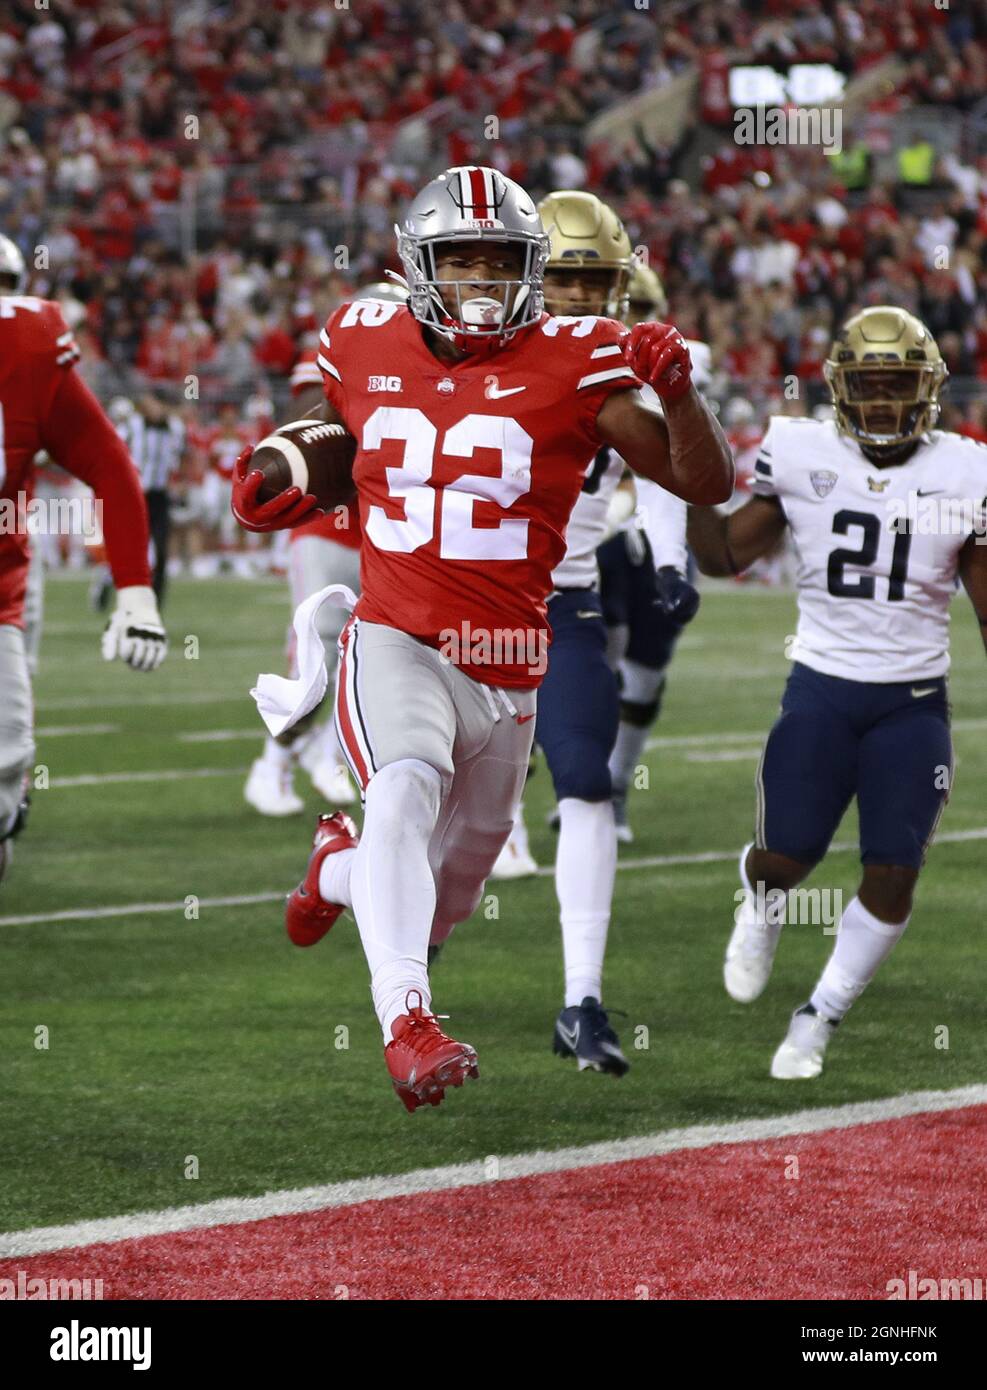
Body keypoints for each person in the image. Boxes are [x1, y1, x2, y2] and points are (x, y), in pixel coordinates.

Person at [233, 167, 733, 1112]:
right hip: (397, 636)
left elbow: (701, 486)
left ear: (529, 268)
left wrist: (681, 393)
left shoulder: (579, 357)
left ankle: (332, 871)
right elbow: (313, 430)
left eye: (497, 262)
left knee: (445, 897)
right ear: (416, 266)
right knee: (406, 787)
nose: (477, 281)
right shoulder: (360, 334)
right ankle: (407, 1026)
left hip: (510, 663)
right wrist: (278, 460)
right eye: (456, 262)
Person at [687, 306, 987, 1079]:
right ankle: (759, 905)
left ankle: (817, 1014)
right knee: (783, 858)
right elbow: (722, 555)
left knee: (893, 869)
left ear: (928, 390)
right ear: (840, 387)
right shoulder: (797, 449)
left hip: (911, 701)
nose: (884, 401)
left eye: (899, 384)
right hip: (820, 689)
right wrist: (681, 477)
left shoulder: (965, 469)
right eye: (870, 384)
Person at [0, 233, 167, 885]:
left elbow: (109, 464)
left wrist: (135, 592)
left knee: (7, 760)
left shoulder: (26, 348)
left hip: (2, 588)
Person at [243, 283, 407, 817]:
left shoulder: (431, 363)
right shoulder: (341, 351)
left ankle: (331, 755)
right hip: (325, 530)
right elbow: (298, 425)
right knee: (317, 658)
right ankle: (273, 762)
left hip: (389, 538)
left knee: (378, 662)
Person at [598, 262, 706, 843]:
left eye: (642, 311)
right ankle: (585, 785)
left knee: (643, 674)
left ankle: (613, 787)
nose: (631, 323)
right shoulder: (575, 358)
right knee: (591, 666)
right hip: (593, 541)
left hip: (657, 533)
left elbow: (681, 461)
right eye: (625, 309)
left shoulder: (677, 362)